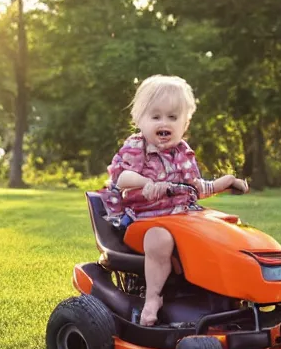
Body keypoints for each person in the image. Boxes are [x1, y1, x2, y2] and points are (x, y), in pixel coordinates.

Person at [100, 75, 248, 326]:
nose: (164, 123)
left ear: (185, 124)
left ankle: (225, 291)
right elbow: (122, 177)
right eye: (155, 116)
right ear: (139, 120)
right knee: (161, 238)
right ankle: (153, 298)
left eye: (172, 117)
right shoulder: (136, 147)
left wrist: (226, 182)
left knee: (223, 230)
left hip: (182, 217)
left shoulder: (183, 153)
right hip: (144, 221)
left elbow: (195, 188)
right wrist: (146, 184)